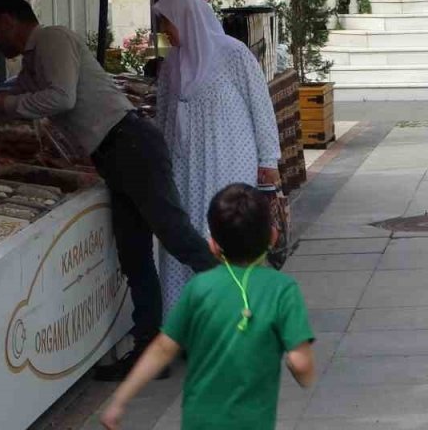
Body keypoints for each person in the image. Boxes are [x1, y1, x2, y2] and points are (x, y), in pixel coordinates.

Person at [0, 0, 218, 380]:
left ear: (8, 20)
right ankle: (150, 351)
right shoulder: (31, 65)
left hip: (131, 145)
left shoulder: (52, 39)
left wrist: (7, 106)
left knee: (177, 236)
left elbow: (60, 98)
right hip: (115, 154)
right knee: (134, 254)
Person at [100, 184, 316, 430]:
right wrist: (301, 372)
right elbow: (301, 363)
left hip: (199, 422)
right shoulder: (283, 290)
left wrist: (120, 400)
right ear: (272, 236)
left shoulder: (199, 288)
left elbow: (162, 348)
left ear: (213, 244)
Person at [151, 0, 281, 314]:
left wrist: (269, 161)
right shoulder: (171, 66)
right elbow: (163, 117)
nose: (164, 31)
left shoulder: (232, 54)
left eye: (168, 22)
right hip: (184, 170)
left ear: (187, 18)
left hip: (229, 163)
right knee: (188, 238)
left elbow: (259, 106)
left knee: (228, 234)